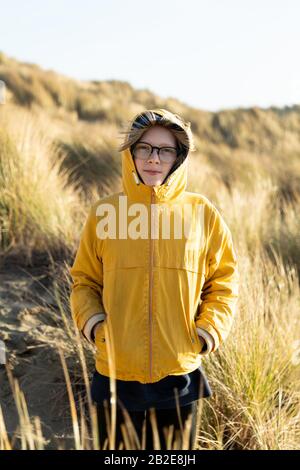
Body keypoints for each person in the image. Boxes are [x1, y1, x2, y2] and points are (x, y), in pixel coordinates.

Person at [69, 108, 239, 450]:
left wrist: (206, 333)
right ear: (131, 153)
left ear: (178, 157)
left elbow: (224, 281)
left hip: (180, 371)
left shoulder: (202, 213)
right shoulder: (106, 213)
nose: (153, 158)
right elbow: (85, 280)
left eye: (164, 150)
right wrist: (97, 328)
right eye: (144, 148)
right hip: (115, 370)